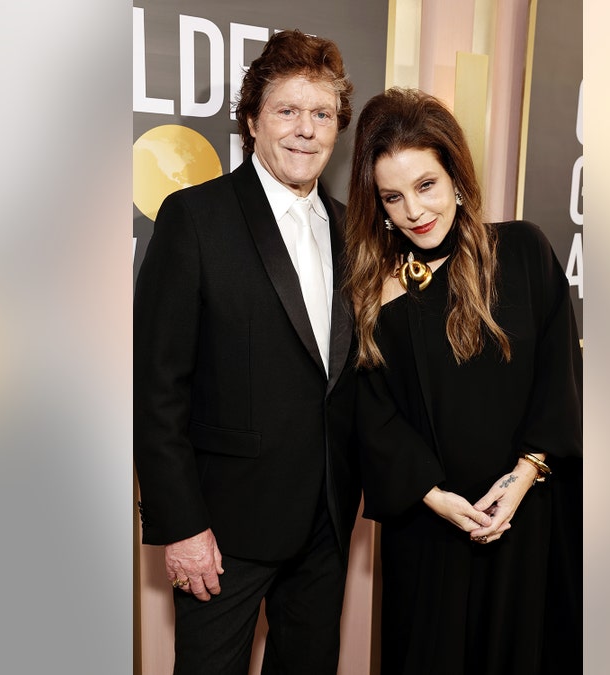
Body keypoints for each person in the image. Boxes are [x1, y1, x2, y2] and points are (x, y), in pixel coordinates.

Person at [134, 30, 361, 675]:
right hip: (222, 531)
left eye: (321, 114)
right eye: (287, 111)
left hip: (327, 522)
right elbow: (156, 387)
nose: (305, 130)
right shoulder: (194, 218)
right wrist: (181, 526)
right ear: (253, 120)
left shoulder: (353, 229)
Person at [344, 88, 583, 674]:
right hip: (429, 532)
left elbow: (561, 376)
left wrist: (524, 479)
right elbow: (370, 415)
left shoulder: (523, 252)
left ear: (455, 175)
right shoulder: (375, 293)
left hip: (526, 519)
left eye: (425, 185)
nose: (413, 211)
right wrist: (436, 499)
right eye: (392, 197)